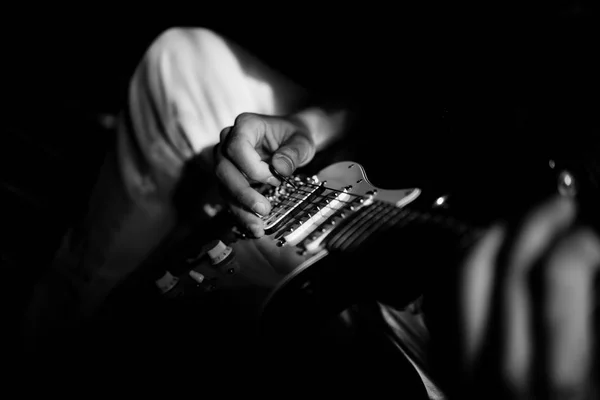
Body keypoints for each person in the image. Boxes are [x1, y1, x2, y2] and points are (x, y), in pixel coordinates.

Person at [22, 22, 599, 399]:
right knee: (183, 66)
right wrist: (313, 128)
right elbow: (426, 97)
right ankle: (51, 346)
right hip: (402, 200)